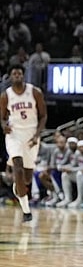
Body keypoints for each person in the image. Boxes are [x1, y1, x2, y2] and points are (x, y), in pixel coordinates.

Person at [0, 64, 47, 222]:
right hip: (14, 135)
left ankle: (18, 187)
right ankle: (27, 211)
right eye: (14, 73)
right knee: (18, 169)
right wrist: (3, 126)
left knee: (26, 178)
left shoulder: (35, 92)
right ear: (10, 77)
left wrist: (37, 135)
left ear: (23, 75)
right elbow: (2, 117)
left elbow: (43, 116)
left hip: (31, 135)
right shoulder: (6, 96)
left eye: (20, 73)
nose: (17, 76)